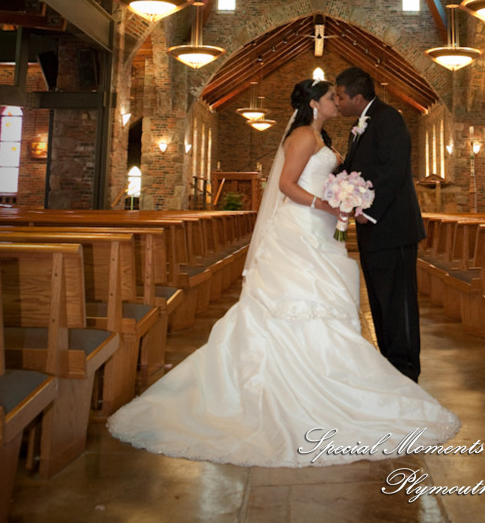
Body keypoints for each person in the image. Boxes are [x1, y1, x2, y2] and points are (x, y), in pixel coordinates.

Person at [107, 79, 459, 467]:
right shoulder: (303, 138)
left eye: (339, 97)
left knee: (326, 305)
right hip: (300, 231)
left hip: (321, 234)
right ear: (314, 103)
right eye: (330, 98)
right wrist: (327, 205)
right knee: (291, 304)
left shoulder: (321, 137)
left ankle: (328, 380)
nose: (336, 102)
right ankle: (292, 388)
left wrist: (343, 198)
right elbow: (286, 185)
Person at [335, 66, 424, 382]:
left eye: (341, 97)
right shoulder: (359, 126)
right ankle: (390, 366)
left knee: (398, 303)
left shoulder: (389, 119)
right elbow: (352, 170)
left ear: (358, 97)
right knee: (380, 301)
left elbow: (394, 170)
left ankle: (406, 370)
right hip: (373, 231)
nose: (338, 102)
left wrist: (368, 210)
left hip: (393, 228)